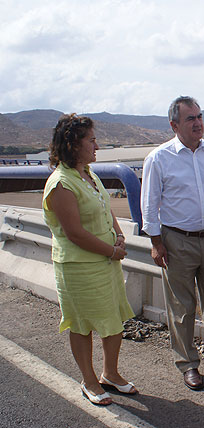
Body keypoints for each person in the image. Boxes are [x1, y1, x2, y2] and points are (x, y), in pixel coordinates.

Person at [140, 96, 204, 391]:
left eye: (200, 116)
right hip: (177, 242)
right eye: (190, 118)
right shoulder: (159, 158)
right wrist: (156, 242)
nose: (198, 123)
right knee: (182, 307)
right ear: (174, 124)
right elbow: (149, 204)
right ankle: (187, 363)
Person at [42, 114, 136, 406]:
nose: (97, 145)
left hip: (106, 263)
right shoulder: (61, 183)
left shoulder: (89, 174)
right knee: (82, 324)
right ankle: (89, 380)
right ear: (73, 144)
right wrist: (111, 251)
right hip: (79, 267)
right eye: (91, 140)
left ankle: (111, 373)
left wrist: (119, 236)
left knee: (113, 319)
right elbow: (75, 233)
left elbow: (105, 210)